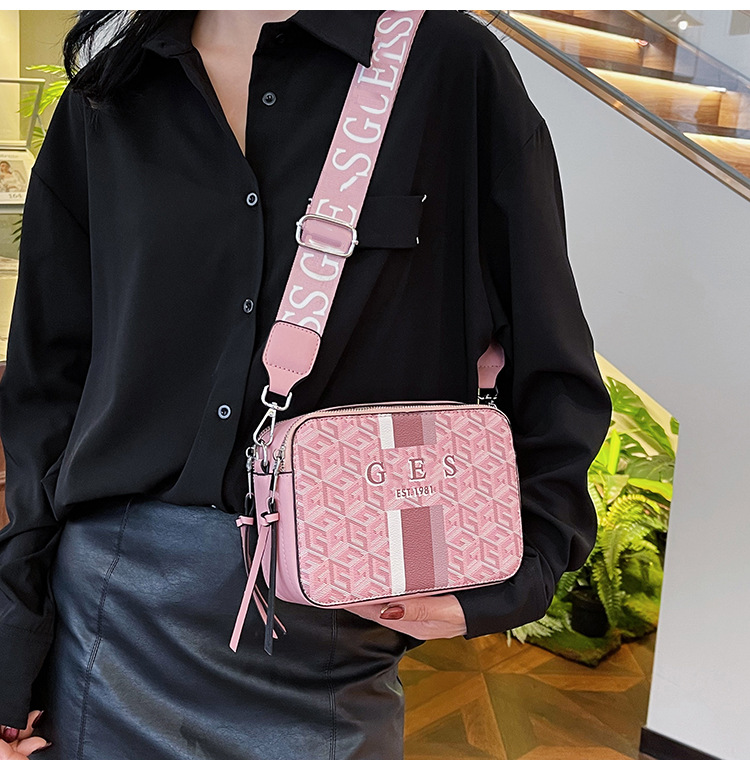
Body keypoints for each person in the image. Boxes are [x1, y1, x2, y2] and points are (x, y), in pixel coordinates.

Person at [0, 10, 612, 760]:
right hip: (107, 621)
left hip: (335, 631)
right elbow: (48, 383)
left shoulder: (449, 65)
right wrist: (13, 636)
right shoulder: (110, 92)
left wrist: (527, 566)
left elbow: (551, 355)